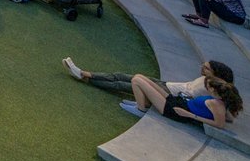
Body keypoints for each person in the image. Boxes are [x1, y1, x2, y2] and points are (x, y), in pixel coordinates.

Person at [64, 57, 235, 99]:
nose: (202, 68)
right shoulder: (206, 80)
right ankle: (85, 73)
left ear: (215, 73)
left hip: (167, 93)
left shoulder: (214, 88)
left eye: (206, 68)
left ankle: (84, 77)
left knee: (123, 85)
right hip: (167, 85)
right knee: (123, 76)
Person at [122, 74, 241, 129]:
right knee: (140, 77)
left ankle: (141, 109)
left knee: (136, 81)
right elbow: (229, 118)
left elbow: (219, 124)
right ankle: (141, 104)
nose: (206, 88)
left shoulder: (217, 104)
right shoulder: (219, 102)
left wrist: (191, 115)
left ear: (214, 90)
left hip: (176, 111)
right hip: (179, 103)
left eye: (208, 87)